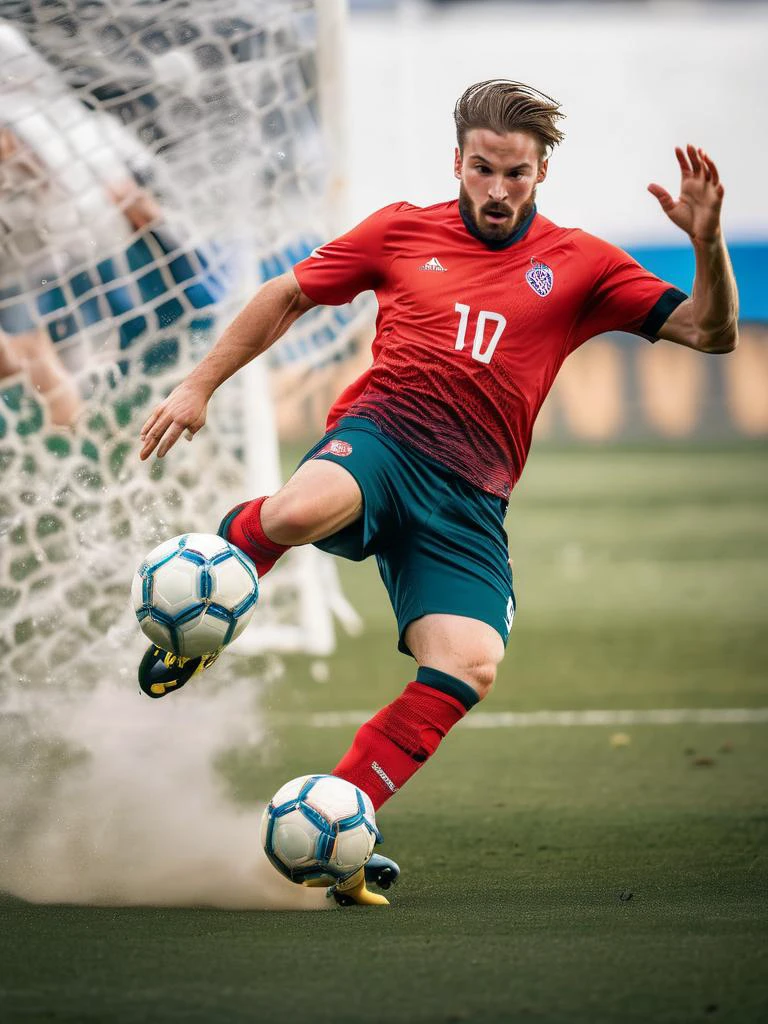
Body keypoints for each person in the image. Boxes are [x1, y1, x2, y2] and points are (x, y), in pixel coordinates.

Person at [136, 80, 739, 905]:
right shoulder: (398, 230)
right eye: (484, 169)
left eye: (516, 175)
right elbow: (286, 297)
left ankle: (340, 824)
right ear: (458, 161)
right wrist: (198, 387)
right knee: (301, 510)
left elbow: (711, 332)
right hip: (385, 437)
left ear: (541, 173)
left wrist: (708, 243)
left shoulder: (582, 264)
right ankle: (201, 614)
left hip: (471, 500)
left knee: (470, 664)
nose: (498, 190)